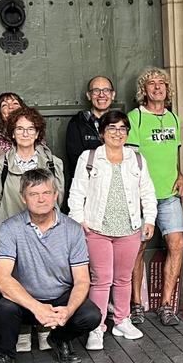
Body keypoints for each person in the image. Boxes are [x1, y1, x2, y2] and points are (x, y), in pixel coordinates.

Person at [0, 169, 101, 363]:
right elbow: (1, 279)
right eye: (33, 194)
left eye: (47, 193)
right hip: (27, 301)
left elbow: (82, 280)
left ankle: (59, 339)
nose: (41, 199)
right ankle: (5, 355)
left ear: (56, 195)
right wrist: (37, 308)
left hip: (59, 299)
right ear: (23, 198)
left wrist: (68, 311)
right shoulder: (10, 228)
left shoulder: (72, 229)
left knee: (91, 315)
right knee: (5, 307)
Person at [69, 111, 158, 349]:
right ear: (102, 133)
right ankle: (96, 328)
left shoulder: (136, 159)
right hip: (97, 228)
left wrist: (149, 219)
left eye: (122, 129)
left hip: (129, 228)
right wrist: (78, 220)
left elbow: (148, 192)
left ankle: (122, 319)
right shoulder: (89, 158)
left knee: (123, 278)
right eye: (112, 128)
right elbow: (77, 192)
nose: (117, 133)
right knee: (101, 280)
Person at [0, 106, 64, 353]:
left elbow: (58, 197)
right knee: (14, 279)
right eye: (19, 128)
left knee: (43, 278)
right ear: (12, 132)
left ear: (38, 132)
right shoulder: (2, 164)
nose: (25, 133)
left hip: (44, 232)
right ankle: (21, 330)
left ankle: (44, 328)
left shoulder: (52, 162)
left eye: (30, 128)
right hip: (13, 234)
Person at [127, 68, 183, 326]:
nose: (157, 87)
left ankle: (165, 305)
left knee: (177, 245)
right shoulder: (136, 118)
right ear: (144, 90)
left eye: (161, 83)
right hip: (143, 197)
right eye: (151, 84)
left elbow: (174, 153)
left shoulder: (173, 117)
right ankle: (136, 305)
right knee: (137, 249)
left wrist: (180, 173)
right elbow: (130, 158)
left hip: (169, 195)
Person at [66, 76, 115, 178]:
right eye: (96, 91)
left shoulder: (121, 122)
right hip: (89, 184)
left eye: (106, 90)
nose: (101, 95)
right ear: (89, 95)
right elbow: (77, 161)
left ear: (113, 95)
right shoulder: (77, 123)